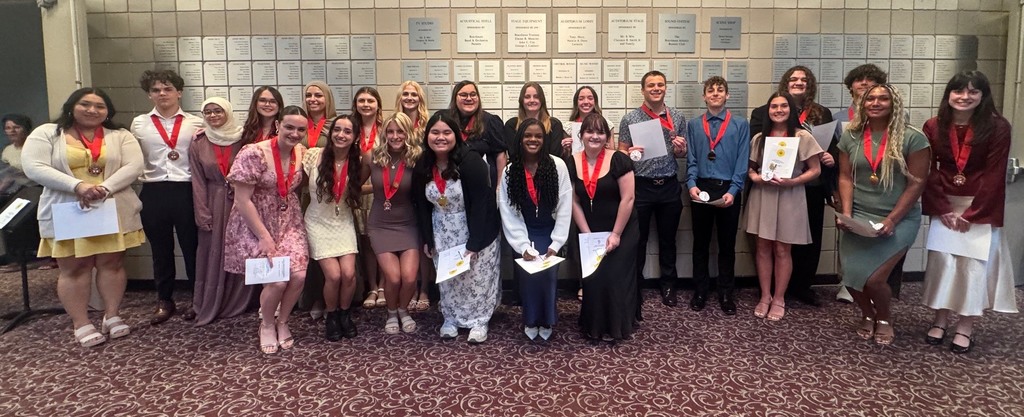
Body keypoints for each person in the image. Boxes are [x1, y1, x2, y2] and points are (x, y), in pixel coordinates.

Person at [22, 87, 145, 347]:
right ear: (71, 106)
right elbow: (34, 167)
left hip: (111, 206)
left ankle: (112, 314)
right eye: (85, 104)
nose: (92, 110)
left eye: (99, 106)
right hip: (69, 208)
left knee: (112, 264)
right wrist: (78, 186)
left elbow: (134, 166)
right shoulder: (47, 133)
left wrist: (104, 188)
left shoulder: (120, 135)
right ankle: (81, 322)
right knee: (74, 268)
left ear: (108, 111)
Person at [921, 71, 1017, 354]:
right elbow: (929, 169)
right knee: (943, 265)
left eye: (973, 92)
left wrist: (973, 213)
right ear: (948, 94)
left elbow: (994, 173)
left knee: (974, 269)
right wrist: (943, 208)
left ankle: (965, 327)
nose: (964, 97)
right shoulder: (934, 126)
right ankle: (939, 320)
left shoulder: (997, 127)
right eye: (959, 91)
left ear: (983, 96)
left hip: (979, 206)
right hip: (946, 205)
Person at [836, 84, 930, 345]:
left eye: (883, 98)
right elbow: (844, 176)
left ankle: (885, 318)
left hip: (898, 218)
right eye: (870, 98)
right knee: (853, 279)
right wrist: (846, 214)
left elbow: (917, 182)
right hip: (859, 214)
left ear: (894, 103)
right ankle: (867, 314)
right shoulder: (851, 136)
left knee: (876, 279)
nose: (876, 103)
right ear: (862, 103)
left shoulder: (913, 138)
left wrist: (892, 220)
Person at [223, 106, 309, 354]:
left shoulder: (301, 152)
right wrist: (264, 237)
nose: (294, 133)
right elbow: (242, 200)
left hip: (288, 219)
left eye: (301, 129)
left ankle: (283, 321)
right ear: (278, 125)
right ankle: (267, 324)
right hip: (255, 222)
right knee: (277, 281)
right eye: (289, 127)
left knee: (299, 276)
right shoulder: (254, 153)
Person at [749, 65, 836, 307]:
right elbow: (750, 166)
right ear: (768, 110)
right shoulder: (760, 137)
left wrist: (794, 181)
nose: (778, 110)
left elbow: (817, 168)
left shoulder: (804, 133)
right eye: (774, 106)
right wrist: (755, 177)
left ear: (790, 109)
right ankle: (765, 295)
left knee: (784, 249)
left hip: (794, 194)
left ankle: (780, 298)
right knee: (763, 247)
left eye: (783, 106)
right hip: (764, 194)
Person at [414, 111, 501, 344]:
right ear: (427, 135)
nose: (440, 137)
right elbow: (421, 205)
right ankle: (450, 319)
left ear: (456, 136)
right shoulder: (423, 163)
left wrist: (475, 242)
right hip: (442, 229)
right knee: (449, 279)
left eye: (446, 132)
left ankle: (479, 321)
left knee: (476, 277)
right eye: (435, 132)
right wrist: (427, 239)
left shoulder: (471, 161)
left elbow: (483, 204)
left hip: (474, 228)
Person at [129, 70, 204, 324]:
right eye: (156, 90)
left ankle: (197, 299)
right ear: (149, 95)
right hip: (154, 190)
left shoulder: (196, 122)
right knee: (160, 249)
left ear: (179, 92)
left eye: (168, 88)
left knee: (192, 248)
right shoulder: (139, 123)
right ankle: (164, 299)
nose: (162, 94)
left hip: (185, 189)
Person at [617, 70, 687, 309]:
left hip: (668, 185)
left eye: (660, 85)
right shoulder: (630, 119)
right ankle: (635, 284)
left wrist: (680, 148)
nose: (656, 88)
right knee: (638, 239)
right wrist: (631, 152)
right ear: (643, 89)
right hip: (642, 186)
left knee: (669, 240)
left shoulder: (677, 116)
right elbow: (621, 154)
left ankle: (668, 285)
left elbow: (682, 153)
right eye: (651, 85)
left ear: (665, 88)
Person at [498, 118, 573, 341]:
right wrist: (522, 245)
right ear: (520, 139)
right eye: (528, 136)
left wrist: (557, 242)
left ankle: (547, 319)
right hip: (525, 233)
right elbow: (509, 211)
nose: (533, 140)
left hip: (549, 233)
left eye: (538, 136)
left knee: (548, 276)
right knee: (529, 278)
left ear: (545, 139)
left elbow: (565, 205)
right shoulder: (511, 171)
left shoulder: (557, 165)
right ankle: (531, 319)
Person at [570, 113, 639, 341]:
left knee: (614, 276)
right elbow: (573, 201)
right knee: (593, 278)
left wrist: (616, 234)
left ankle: (618, 326)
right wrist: (587, 235)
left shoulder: (619, 159)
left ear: (607, 137)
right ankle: (594, 325)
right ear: (581, 135)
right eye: (590, 131)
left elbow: (627, 199)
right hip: (589, 229)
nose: (595, 136)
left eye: (600, 132)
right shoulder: (572, 161)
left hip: (621, 227)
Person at [684, 76, 750, 315]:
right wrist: (691, 183)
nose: (715, 94)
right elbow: (691, 159)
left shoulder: (740, 124)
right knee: (700, 243)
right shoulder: (694, 125)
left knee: (727, 245)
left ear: (727, 95)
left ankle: (725, 292)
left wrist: (734, 191)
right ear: (704, 96)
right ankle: (700, 290)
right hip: (701, 187)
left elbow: (742, 162)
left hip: (728, 188)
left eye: (720, 90)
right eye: (710, 91)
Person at [188, 97, 253, 326]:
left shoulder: (244, 138)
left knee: (242, 248)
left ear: (228, 112)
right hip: (214, 200)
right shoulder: (198, 141)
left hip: (242, 201)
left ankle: (239, 301)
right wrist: (202, 212)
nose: (213, 116)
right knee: (212, 252)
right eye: (208, 112)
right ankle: (209, 302)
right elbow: (197, 180)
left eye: (218, 111)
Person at [360, 112, 422, 334]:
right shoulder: (372, 157)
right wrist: (378, 192)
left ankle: (404, 310)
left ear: (408, 133)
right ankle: (392, 312)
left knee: (409, 277)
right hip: (380, 224)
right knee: (393, 278)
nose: (395, 136)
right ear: (384, 133)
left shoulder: (417, 158)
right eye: (391, 131)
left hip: (409, 223)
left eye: (400, 131)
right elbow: (356, 183)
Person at [303, 114, 361, 340]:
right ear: (331, 132)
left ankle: (345, 315)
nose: (341, 135)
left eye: (348, 131)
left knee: (349, 274)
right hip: (317, 221)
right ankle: (331, 315)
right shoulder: (312, 155)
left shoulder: (357, 162)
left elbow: (360, 187)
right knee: (334, 276)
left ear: (355, 137)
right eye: (337, 129)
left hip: (343, 220)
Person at [393, 81, 432, 311]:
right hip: (399, 188)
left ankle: (424, 288)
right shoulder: (394, 124)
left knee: (424, 240)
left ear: (420, 98)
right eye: (405, 94)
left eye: (414, 94)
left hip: (424, 186)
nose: (409, 98)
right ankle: (410, 287)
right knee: (407, 243)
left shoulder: (427, 124)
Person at [353, 86, 385, 310]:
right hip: (356, 194)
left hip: (381, 193)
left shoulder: (386, 130)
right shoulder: (349, 129)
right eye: (361, 100)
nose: (366, 104)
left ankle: (383, 285)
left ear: (378, 105)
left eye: (370, 100)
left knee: (381, 242)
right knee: (365, 242)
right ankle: (371, 286)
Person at [447, 80, 508, 188]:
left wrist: (500, 186)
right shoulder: (447, 121)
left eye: (473, 95)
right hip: (452, 185)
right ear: (455, 98)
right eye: (463, 95)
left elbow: (500, 155)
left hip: (483, 185)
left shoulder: (490, 121)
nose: (469, 98)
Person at [505, 82, 566, 157]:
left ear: (542, 100)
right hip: (520, 168)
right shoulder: (512, 125)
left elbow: (554, 155)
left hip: (548, 167)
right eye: (527, 97)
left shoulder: (554, 125)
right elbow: (514, 154)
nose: (532, 100)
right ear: (521, 100)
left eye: (536, 97)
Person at [302, 81, 335, 149]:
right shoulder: (298, 123)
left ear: (328, 99)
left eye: (318, 95)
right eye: (308, 95)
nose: (312, 99)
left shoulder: (336, 124)